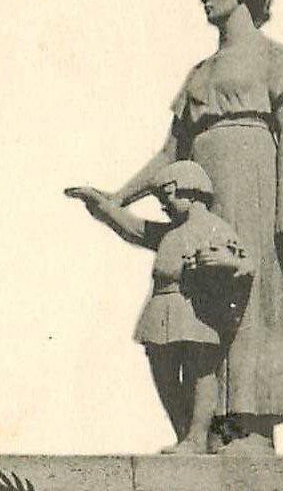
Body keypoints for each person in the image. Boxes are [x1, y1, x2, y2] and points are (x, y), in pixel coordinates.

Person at [70, 0, 283, 453]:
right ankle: (205, 428)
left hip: (255, 180)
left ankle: (251, 424)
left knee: (252, 293)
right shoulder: (198, 74)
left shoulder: (276, 58)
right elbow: (169, 153)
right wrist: (117, 199)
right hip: (202, 177)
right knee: (199, 301)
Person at [67, 161, 252, 453]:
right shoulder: (169, 233)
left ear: (191, 192)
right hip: (160, 307)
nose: (163, 206)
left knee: (199, 373)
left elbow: (245, 266)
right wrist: (101, 206)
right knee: (163, 374)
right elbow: (132, 228)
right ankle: (184, 436)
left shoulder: (215, 229)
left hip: (195, 308)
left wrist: (222, 262)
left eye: (167, 197)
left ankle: (196, 438)